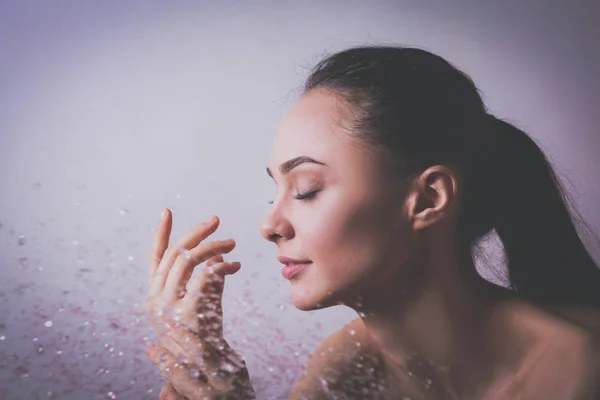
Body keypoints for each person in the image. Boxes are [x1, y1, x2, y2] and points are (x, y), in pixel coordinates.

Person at [144, 45, 600, 399]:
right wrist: (208, 369)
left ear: (427, 198)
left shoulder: (583, 369)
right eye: (274, 192)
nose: (270, 225)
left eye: (305, 190)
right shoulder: (345, 370)